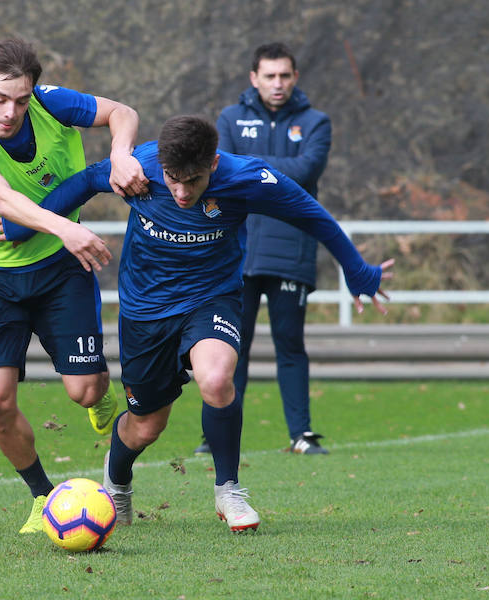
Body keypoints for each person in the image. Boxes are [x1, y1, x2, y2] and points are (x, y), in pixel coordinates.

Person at [0, 115, 393, 532]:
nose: (180, 192)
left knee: (216, 380)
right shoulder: (138, 168)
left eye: (193, 181)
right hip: (145, 309)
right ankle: (118, 482)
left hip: (211, 298)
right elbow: (85, 182)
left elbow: (312, 215)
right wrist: (21, 224)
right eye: (172, 180)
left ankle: (228, 490)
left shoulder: (246, 178)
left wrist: (357, 270)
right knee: (146, 426)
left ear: (213, 164)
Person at [0, 38, 148, 534]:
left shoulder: (50, 102)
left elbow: (122, 111)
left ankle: (100, 398)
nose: (10, 111)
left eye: (20, 99)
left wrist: (120, 154)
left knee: (85, 390)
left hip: (59, 271)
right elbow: (1, 197)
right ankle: (41, 497)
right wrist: (68, 227)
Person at [196, 42, 333, 456]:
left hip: (291, 248)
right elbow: (223, 167)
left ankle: (301, 435)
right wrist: (271, 166)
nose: (278, 84)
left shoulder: (316, 122)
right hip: (234, 251)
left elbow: (307, 170)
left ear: (295, 77)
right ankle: (215, 435)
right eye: (269, 76)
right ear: (254, 78)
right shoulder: (230, 118)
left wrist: (250, 163)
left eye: (285, 76)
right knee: (231, 345)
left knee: (290, 344)